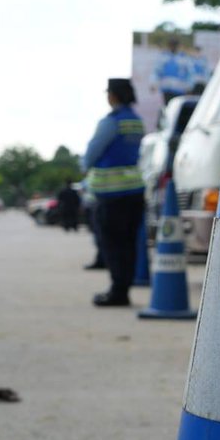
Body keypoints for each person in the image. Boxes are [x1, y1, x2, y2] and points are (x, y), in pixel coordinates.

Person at [83, 77, 146, 306]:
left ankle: (118, 291)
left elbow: (91, 154)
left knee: (112, 244)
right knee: (129, 244)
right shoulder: (137, 121)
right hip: (135, 192)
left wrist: (84, 166)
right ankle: (123, 287)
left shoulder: (111, 122)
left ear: (113, 96)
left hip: (111, 195)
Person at [150, 37, 189, 112]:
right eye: (171, 45)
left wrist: (189, 87)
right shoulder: (163, 57)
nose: (173, 47)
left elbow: (189, 73)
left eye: (175, 45)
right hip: (167, 89)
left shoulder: (183, 57)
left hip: (180, 89)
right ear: (169, 46)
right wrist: (153, 83)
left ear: (178, 46)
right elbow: (157, 71)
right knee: (168, 109)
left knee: (178, 110)